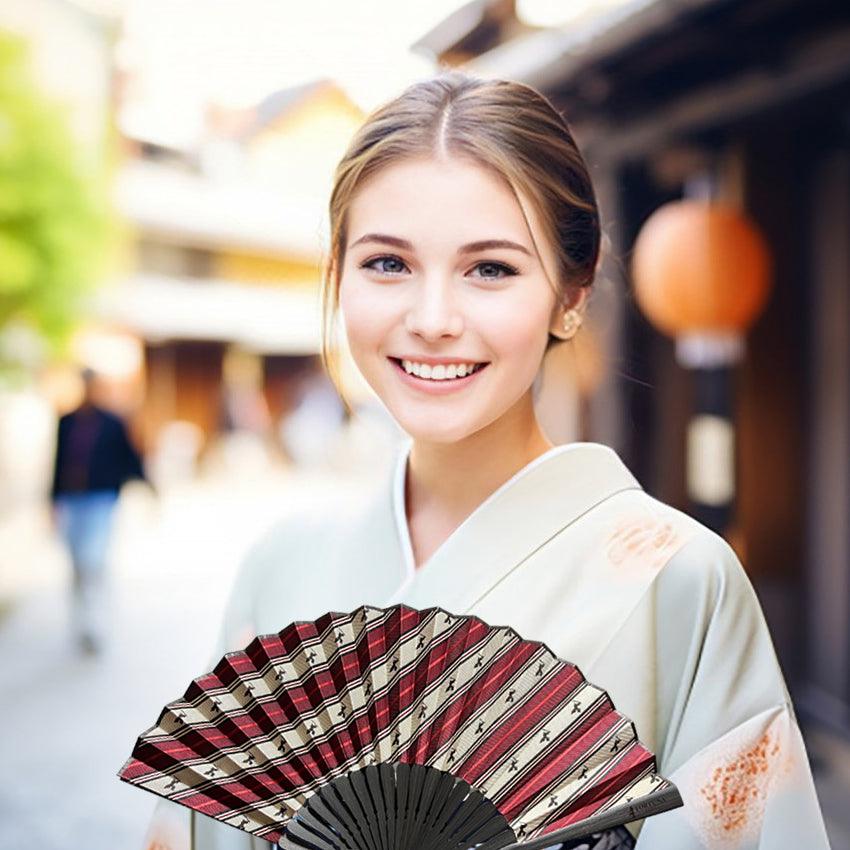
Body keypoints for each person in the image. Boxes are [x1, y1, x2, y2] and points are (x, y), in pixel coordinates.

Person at [141, 71, 831, 849]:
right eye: (388, 264)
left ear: (571, 294)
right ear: (339, 275)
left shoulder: (679, 580)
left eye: (491, 269)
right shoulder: (282, 566)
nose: (433, 320)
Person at [51, 367, 147, 654]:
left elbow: (131, 459)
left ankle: (97, 625)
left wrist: (148, 488)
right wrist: (52, 500)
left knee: (93, 561)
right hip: (72, 500)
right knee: (77, 566)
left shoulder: (113, 423)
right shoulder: (67, 422)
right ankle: (81, 623)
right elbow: (57, 463)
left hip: (100, 501)